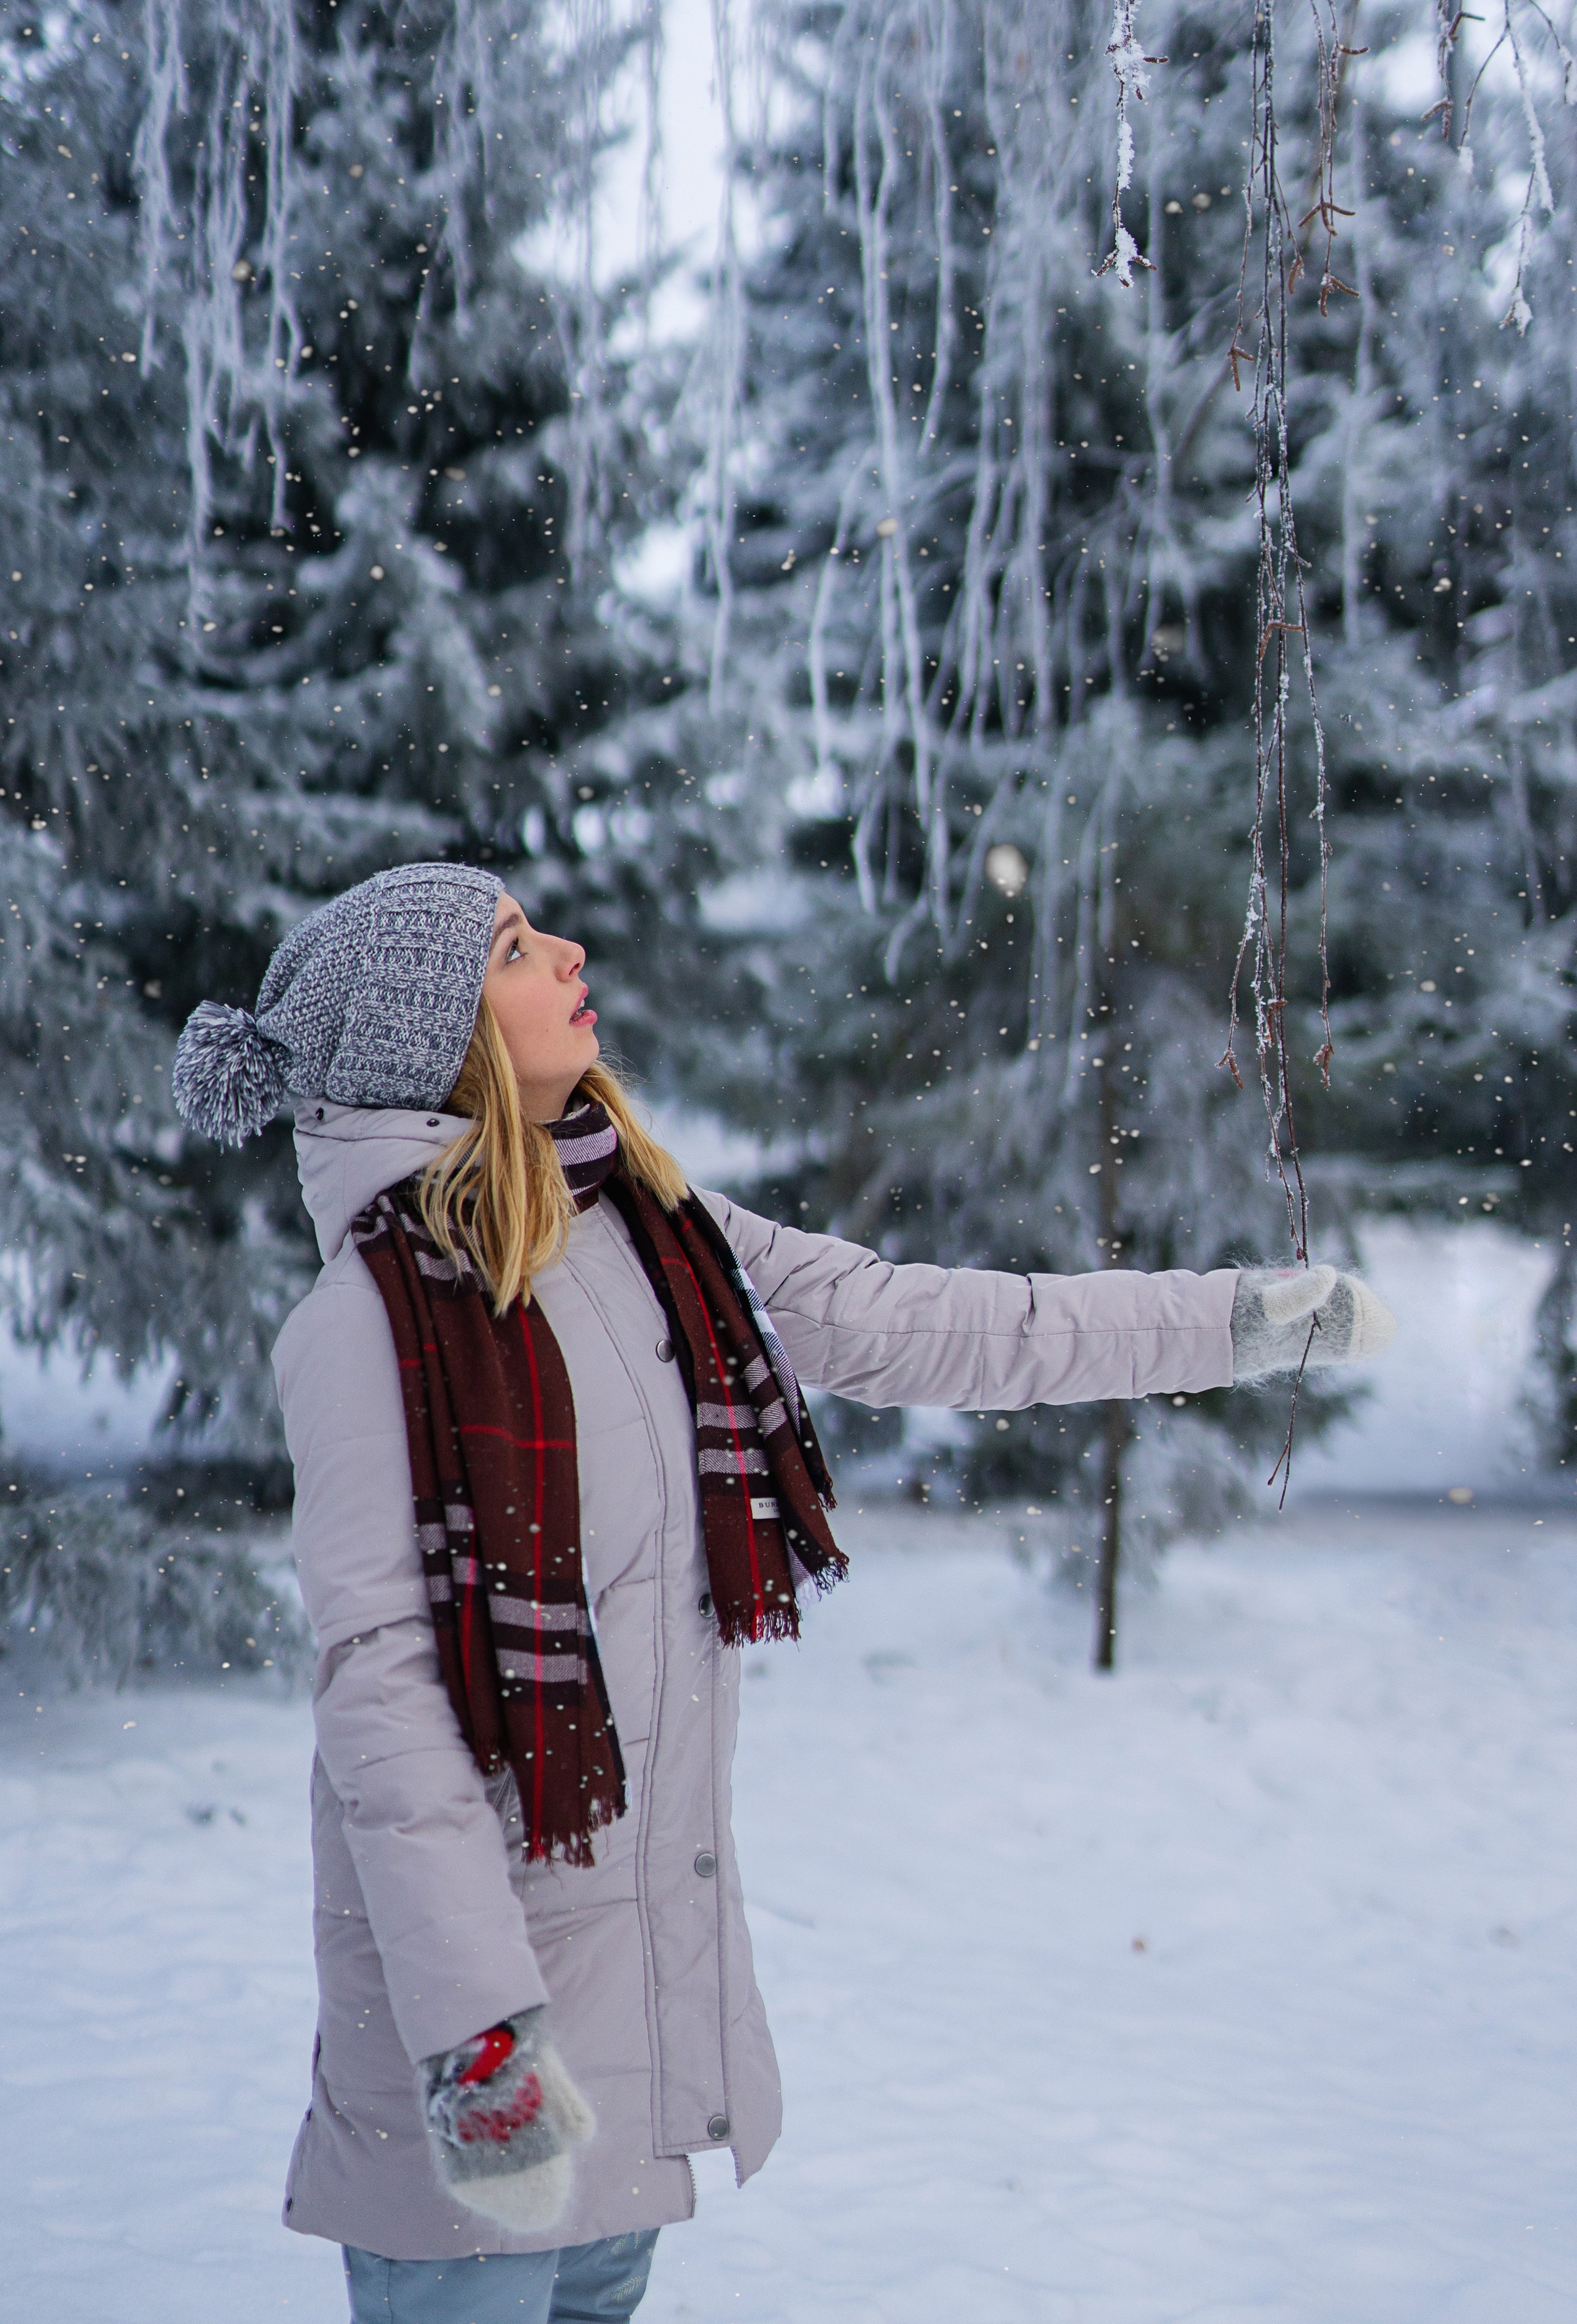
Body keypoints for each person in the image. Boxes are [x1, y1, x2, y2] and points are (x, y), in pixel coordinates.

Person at [172, 860, 1393, 2324]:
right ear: (438, 1040)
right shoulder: (368, 1325)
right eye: (512, 949)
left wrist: (1231, 1321)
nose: (567, 950)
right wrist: (480, 2041)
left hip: (627, 2021)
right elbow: (386, 1707)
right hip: (479, 2071)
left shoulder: (645, 1227)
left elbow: (924, 1320)